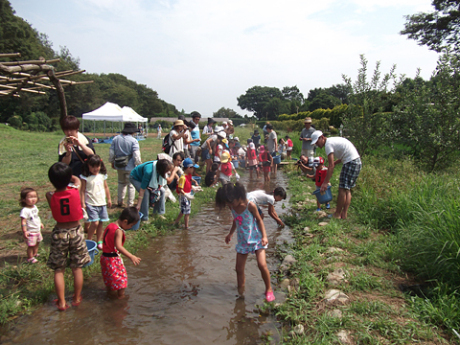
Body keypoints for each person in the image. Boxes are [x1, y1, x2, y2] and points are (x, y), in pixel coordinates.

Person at [215, 182, 275, 302]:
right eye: (227, 203)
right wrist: (230, 233)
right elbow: (236, 220)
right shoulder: (232, 206)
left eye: (231, 202)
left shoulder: (250, 205)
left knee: (261, 264)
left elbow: (259, 220)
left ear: (238, 196)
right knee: (238, 269)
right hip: (243, 240)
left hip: (257, 238)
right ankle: (241, 291)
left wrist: (264, 236)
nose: (230, 205)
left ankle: (269, 289)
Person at [46, 162, 91, 311]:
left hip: (59, 232)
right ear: (68, 178)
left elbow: (54, 194)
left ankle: (62, 302)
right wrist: (68, 176)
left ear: (52, 180)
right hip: (76, 231)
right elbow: (76, 180)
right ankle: (77, 298)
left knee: (59, 270)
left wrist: (59, 178)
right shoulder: (75, 190)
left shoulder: (50, 195)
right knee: (77, 268)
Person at [311, 130, 362, 220]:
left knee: (342, 189)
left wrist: (325, 182)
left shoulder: (328, 145)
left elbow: (331, 166)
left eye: (317, 142)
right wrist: (333, 163)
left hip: (350, 162)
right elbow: (341, 157)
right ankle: (344, 214)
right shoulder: (332, 141)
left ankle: (337, 214)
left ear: (322, 137)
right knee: (347, 189)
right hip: (356, 161)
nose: (317, 145)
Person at [100, 207, 141, 299]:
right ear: (125, 222)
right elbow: (118, 246)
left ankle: (109, 293)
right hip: (112, 259)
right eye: (131, 225)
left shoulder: (110, 225)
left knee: (109, 277)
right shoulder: (118, 231)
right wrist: (131, 256)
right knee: (121, 279)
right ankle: (121, 297)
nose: (130, 228)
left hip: (104, 257)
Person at [80, 155, 111, 250]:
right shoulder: (85, 177)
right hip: (91, 203)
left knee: (101, 222)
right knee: (95, 223)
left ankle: (99, 240)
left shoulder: (102, 176)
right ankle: (89, 240)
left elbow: (106, 187)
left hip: (101, 203)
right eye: (92, 166)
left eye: (97, 166)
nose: (95, 169)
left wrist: (109, 199)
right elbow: (82, 190)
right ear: (88, 166)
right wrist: (82, 203)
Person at [109, 122, 142, 208]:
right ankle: (130, 204)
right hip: (130, 166)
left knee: (121, 183)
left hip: (119, 165)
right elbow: (136, 155)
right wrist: (138, 164)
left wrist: (112, 162)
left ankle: (120, 200)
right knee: (131, 185)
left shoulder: (115, 139)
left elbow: (111, 153)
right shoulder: (133, 141)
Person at [172, 158, 199, 229]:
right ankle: (186, 227)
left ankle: (176, 222)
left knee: (183, 210)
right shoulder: (182, 178)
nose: (194, 170)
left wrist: (194, 185)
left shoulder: (189, 175)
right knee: (187, 212)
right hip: (183, 196)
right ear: (188, 168)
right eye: (193, 168)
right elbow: (179, 189)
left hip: (187, 194)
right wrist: (186, 195)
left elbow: (190, 180)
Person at [19, 187, 44, 264]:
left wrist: (40, 223)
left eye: (35, 196)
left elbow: (36, 217)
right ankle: (30, 257)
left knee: (37, 242)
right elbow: (23, 221)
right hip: (31, 231)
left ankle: (35, 254)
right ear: (24, 199)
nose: (33, 199)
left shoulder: (34, 207)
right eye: (30, 197)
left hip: (37, 229)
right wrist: (25, 231)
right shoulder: (25, 210)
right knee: (31, 245)